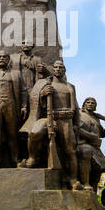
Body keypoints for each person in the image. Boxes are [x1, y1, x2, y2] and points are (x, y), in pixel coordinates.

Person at [20, 60, 82, 191]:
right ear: (52, 69)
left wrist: (76, 125)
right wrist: (43, 94)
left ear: (64, 71)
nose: (58, 69)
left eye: (61, 67)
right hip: (49, 117)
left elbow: (76, 108)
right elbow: (33, 98)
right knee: (35, 132)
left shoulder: (70, 87)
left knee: (70, 150)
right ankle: (32, 159)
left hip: (66, 121)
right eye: (56, 67)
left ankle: (73, 180)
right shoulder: (44, 83)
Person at [75, 97, 105, 192]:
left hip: (96, 149)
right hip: (82, 145)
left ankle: (93, 196)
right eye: (88, 102)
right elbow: (76, 129)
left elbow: (103, 134)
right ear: (84, 104)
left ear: (95, 107)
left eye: (93, 103)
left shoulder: (96, 118)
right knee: (86, 154)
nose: (90, 104)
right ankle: (84, 184)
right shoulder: (79, 115)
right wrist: (91, 136)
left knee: (96, 174)